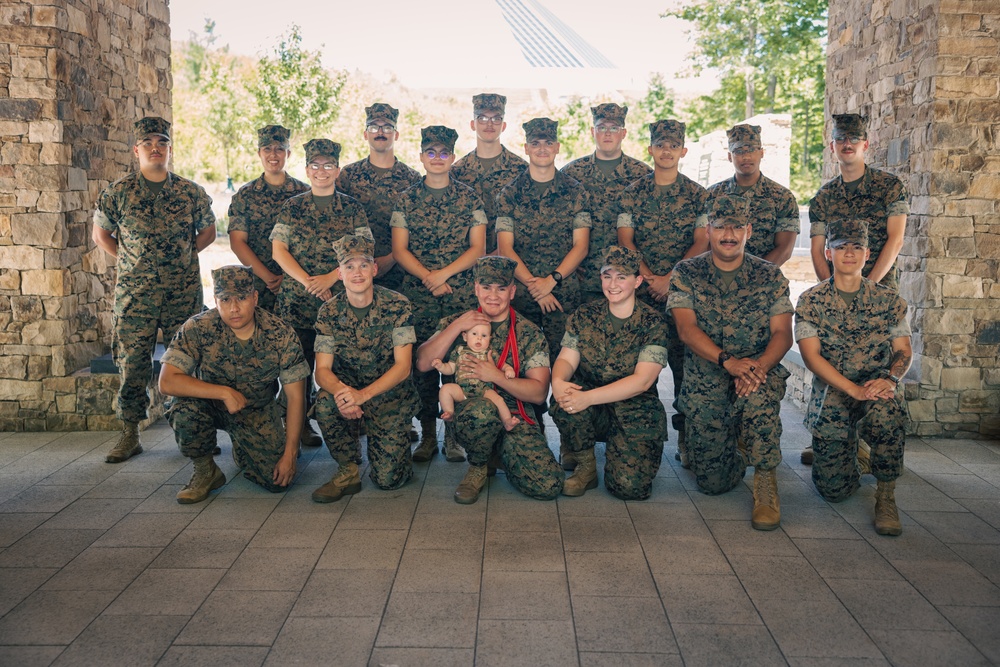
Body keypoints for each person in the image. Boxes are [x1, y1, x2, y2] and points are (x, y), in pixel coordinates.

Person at [92, 116, 216, 464]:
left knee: (187, 363)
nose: (155, 148)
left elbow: (207, 232)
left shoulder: (189, 191)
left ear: (169, 148)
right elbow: (101, 236)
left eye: (161, 142)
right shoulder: (118, 192)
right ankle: (130, 433)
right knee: (133, 363)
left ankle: (194, 434)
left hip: (182, 292)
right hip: (136, 296)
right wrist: (132, 261)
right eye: (148, 143)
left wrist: (182, 258)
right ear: (136, 150)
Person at [667, 195, 793, 531]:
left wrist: (758, 368)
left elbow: (782, 333)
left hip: (756, 372)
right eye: (721, 226)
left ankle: (766, 483)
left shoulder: (769, 275)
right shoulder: (687, 272)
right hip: (707, 377)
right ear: (708, 230)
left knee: (759, 402)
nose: (728, 234)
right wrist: (728, 362)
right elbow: (685, 328)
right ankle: (732, 445)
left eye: (736, 226)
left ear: (748, 231)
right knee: (712, 483)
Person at [802, 112, 909, 465]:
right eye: (840, 139)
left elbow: (895, 240)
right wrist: (830, 288)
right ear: (832, 145)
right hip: (835, 291)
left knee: (875, 362)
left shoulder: (889, 187)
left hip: (878, 287)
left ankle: (870, 440)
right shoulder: (824, 197)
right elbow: (819, 249)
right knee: (833, 361)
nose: (847, 145)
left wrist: (867, 286)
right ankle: (829, 435)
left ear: (866, 144)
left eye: (854, 139)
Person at [795, 219, 911, 536]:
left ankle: (886, 496)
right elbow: (811, 355)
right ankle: (852, 456)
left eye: (856, 246)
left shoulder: (890, 302)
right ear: (828, 253)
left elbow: (903, 350)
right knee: (834, 491)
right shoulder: (810, 301)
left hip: (875, 389)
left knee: (889, 413)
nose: (849, 252)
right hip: (834, 394)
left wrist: (890, 380)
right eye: (841, 246)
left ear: (867, 253)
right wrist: (852, 390)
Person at [416, 256, 563, 504]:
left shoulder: (527, 332)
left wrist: (495, 376)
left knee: (548, 485)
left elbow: (538, 393)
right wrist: (457, 325)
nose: (493, 295)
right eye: (486, 287)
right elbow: (422, 363)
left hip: (513, 414)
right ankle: (478, 466)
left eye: (501, 288)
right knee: (482, 411)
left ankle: (500, 452)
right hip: (470, 410)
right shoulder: (457, 324)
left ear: (512, 291)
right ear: (476, 289)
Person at [159, 265, 309, 503]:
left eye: (242, 298)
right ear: (215, 300)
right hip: (210, 407)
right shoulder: (198, 328)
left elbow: (296, 398)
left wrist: (290, 454)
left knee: (276, 481)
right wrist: (222, 392)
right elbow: (167, 382)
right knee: (182, 407)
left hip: (256, 410)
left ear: (255, 297)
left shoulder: (280, 333)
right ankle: (206, 471)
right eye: (225, 299)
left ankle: (245, 446)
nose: (234, 308)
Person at [392, 125, 487, 464]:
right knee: (422, 366)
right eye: (430, 152)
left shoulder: (469, 198)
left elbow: (478, 248)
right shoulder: (405, 199)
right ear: (420, 157)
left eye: (444, 153)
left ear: (452, 158)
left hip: (458, 295)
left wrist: (443, 275)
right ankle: (428, 435)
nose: (437, 158)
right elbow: (399, 249)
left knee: (459, 364)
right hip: (417, 296)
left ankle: (455, 438)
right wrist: (428, 278)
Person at [617, 119, 709, 467]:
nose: (666, 151)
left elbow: (702, 241)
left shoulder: (698, 194)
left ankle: (686, 440)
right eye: (660, 145)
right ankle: (640, 439)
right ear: (651, 149)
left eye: (673, 146)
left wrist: (671, 277)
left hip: (683, 296)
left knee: (686, 372)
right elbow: (626, 239)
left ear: (682, 151)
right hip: (641, 295)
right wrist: (649, 276)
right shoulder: (633, 192)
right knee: (639, 368)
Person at [270, 138, 372, 449]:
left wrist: (332, 277)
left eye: (328, 165)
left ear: (337, 170)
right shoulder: (293, 207)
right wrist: (307, 281)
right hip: (296, 301)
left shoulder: (352, 208)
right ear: (306, 170)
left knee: (340, 366)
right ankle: (297, 426)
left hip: (340, 301)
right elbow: (279, 251)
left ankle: (346, 427)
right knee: (297, 367)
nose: (321, 171)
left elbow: (366, 250)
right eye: (315, 166)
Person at [549, 246, 669, 500]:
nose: (613, 284)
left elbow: (642, 381)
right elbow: (567, 358)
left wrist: (588, 398)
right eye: (607, 276)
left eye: (621, 277)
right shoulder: (585, 315)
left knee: (629, 489)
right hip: (592, 405)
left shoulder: (653, 323)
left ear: (637, 281)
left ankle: (623, 452)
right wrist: (558, 380)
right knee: (565, 398)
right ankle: (586, 466)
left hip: (634, 408)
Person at [311, 235, 420, 502]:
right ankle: (348, 470)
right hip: (349, 389)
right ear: (339, 273)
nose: (356, 273)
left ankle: (394, 441)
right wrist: (343, 393)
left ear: (374, 269)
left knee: (388, 480)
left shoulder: (398, 305)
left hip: (388, 394)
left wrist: (363, 396)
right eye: (349, 266)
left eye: (363, 265)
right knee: (326, 403)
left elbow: (403, 367)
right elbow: (322, 371)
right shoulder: (328, 312)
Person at [496, 117, 591, 363]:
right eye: (535, 143)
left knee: (565, 364)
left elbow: (581, 246)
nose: (542, 149)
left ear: (557, 147)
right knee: (521, 365)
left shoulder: (575, 191)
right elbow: (505, 248)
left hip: (563, 293)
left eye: (548, 142)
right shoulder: (509, 193)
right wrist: (537, 287)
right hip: (522, 294)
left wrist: (552, 280)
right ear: (526, 148)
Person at [561, 102, 651, 304]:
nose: (607, 134)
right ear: (593, 131)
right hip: (584, 279)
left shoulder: (641, 174)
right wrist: (568, 263)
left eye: (614, 128)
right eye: (602, 127)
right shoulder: (571, 173)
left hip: (628, 280)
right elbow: (557, 222)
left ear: (624, 133)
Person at [336, 103, 422, 291]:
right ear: (366, 134)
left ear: (396, 134)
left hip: (399, 274)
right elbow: (336, 223)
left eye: (387, 127)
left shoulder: (412, 179)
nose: (380, 132)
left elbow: (419, 227)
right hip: (354, 273)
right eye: (374, 127)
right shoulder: (348, 176)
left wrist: (391, 258)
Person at [227, 125, 309, 314]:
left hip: (298, 285)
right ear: (259, 153)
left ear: (288, 153)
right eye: (267, 149)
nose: (273, 155)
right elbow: (237, 242)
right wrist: (269, 278)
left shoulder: (304, 193)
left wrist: (289, 277)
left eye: (279, 149)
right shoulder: (245, 195)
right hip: (259, 286)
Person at [707, 124, 799, 266]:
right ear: (729, 156)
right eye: (738, 151)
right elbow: (704, 242)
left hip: (763, 281)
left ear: (762, 152)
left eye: (751, 149)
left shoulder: (782, 197)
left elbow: (784, 249)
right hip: (718, 280)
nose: (746, 156)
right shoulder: (712, 195)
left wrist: (754, 277)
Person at [452, 93, 528, 253]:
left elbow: (528, 223)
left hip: (510, 263)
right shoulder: (456, 171)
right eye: (483, 118)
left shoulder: (522, 170)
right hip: (465, 265)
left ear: (504, 125)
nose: (489, 124)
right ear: (473, 124)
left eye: (496, 118)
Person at [431, 322, 519, 431]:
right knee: (445, 389)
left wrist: (508, 369)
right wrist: (441, 366)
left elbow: (502, 364)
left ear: (489, 339)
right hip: (462, 390)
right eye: (474, 334)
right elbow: (450, 368)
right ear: (465, 336)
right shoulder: (459, 351)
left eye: (484, 336)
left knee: (499, 400)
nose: (479, 338)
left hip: (484, 390)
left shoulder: (489, 352)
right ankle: (449, 412)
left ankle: (507, 421)